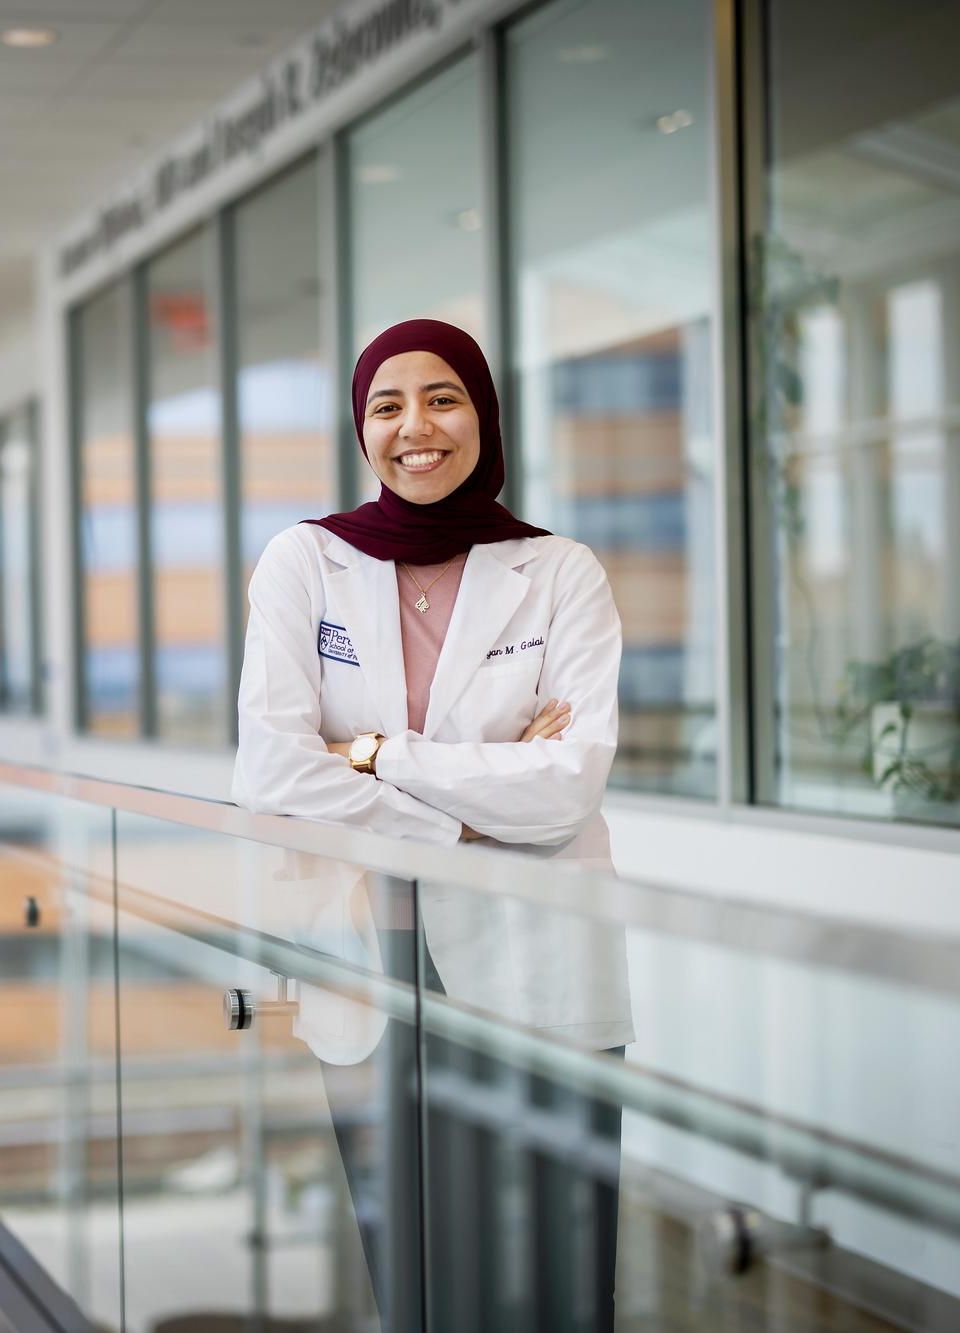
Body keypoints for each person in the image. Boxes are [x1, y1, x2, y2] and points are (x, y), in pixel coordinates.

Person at [231, 318, 631, 1330]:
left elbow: (564, 788)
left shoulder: (558, 571)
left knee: (559, 1275)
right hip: (370, 959)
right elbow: (269, 772)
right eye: (386, 403)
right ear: (361, 427)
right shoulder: (304, 563)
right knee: (410, 1276)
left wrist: (375, 755)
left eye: (442, 397)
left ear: (483, 417)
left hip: (536, 955)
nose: (416, 426)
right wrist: (460, 820)